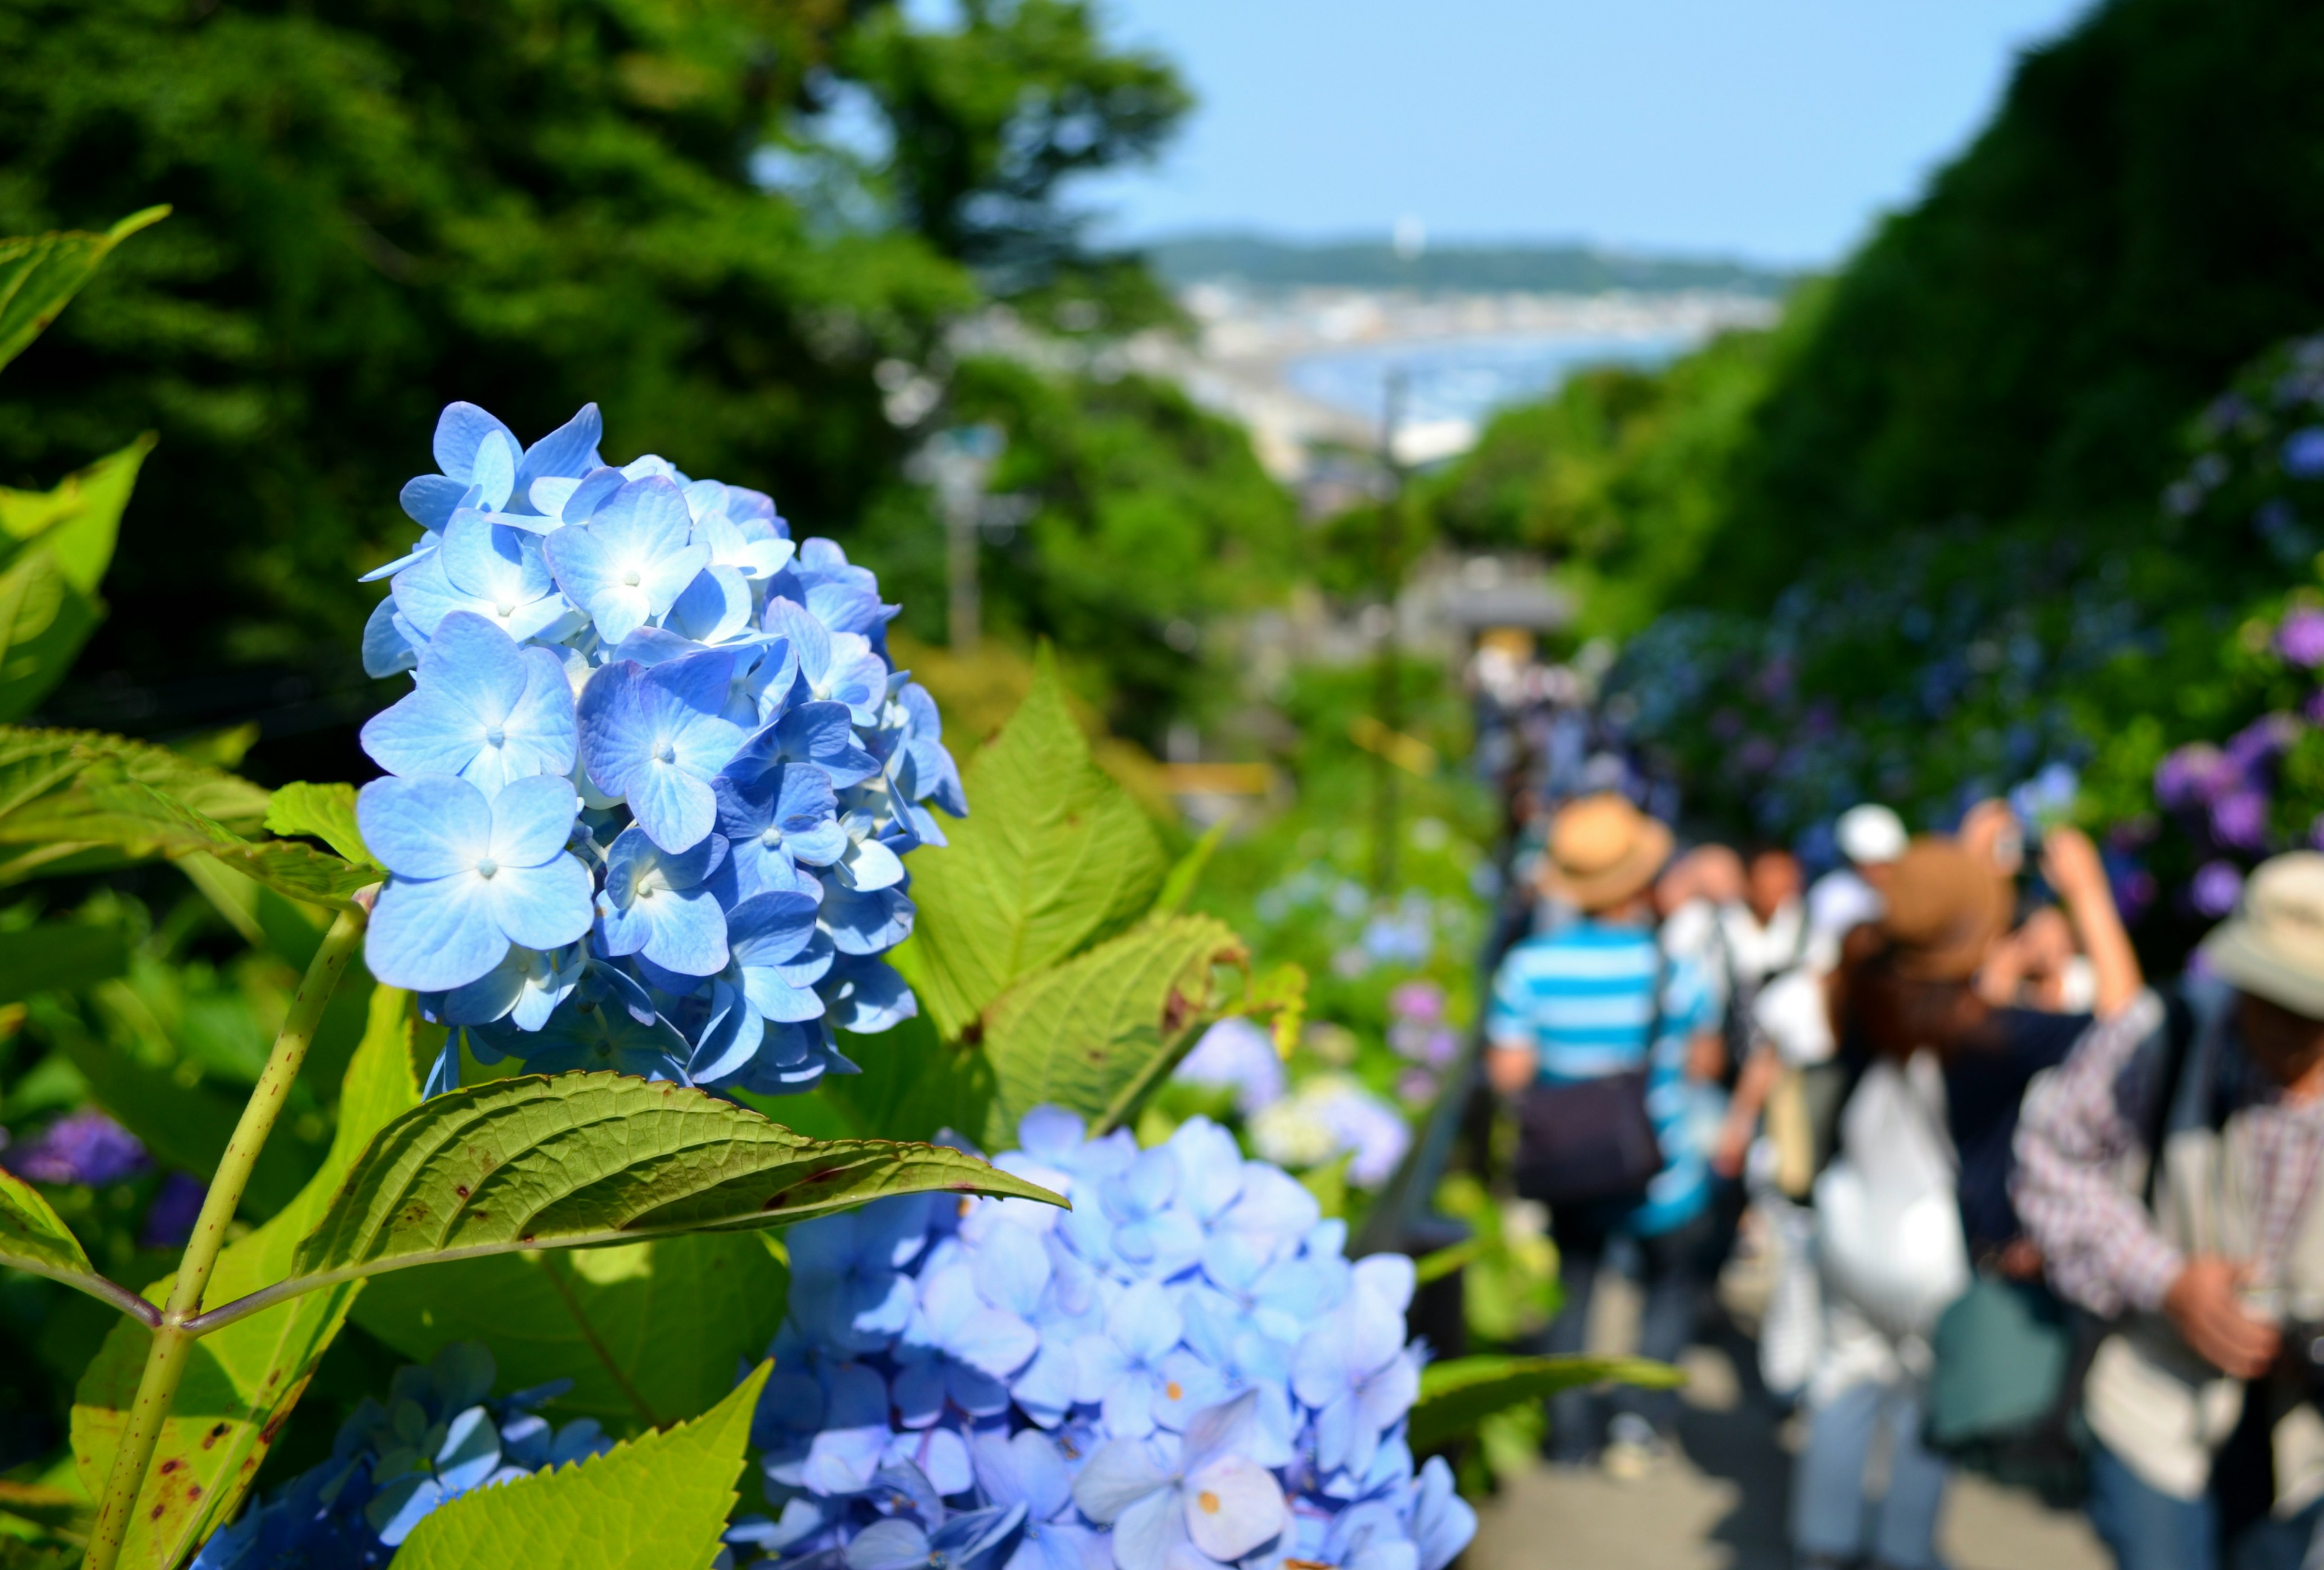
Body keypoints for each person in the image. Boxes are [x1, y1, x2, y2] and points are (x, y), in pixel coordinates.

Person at [2014, 852, 2324, 1570]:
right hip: (2156, 1394)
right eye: (2265, 990)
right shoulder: (2167, 1032)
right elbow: (2050, 1160)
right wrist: (2168, 1280)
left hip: (2304, 1438)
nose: (2279, 1018)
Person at [1486, 792, 1722, 1480]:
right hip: (1663, 1163)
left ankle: (1566, 1435)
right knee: (1667, 1291)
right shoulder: (1675, 968)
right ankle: (1637, 1423)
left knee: (1575, 1287)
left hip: (1572, 1165)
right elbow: (1705, 1061)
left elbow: (1509, 1071)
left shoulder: (1529, 966)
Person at [1792, 838, 2011, 1570]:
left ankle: (1823, 1542)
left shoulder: (1859, 980)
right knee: (1922, 1404)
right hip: (1931, 1246)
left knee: (1843, 1383)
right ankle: (1903, 1549)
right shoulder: (1987, 1030)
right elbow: (2122, 1016)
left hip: (1851, 1215)